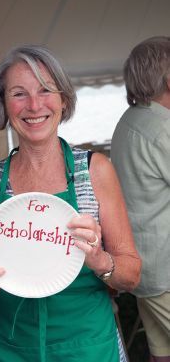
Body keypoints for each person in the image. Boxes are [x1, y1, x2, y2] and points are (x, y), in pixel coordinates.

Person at [0, 44, 141, 362]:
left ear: (64, 100)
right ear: (3, 104)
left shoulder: (95, 171)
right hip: (8, 348)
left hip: (85, 346)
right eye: (18, 94)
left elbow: (131, 274)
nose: (33, 105)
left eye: (45, 90)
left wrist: (100, 260)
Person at [111, 36, 170, 362]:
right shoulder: (163, 128)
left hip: (143, 264)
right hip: (165, 268)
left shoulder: (129, 120)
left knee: (162, 353)